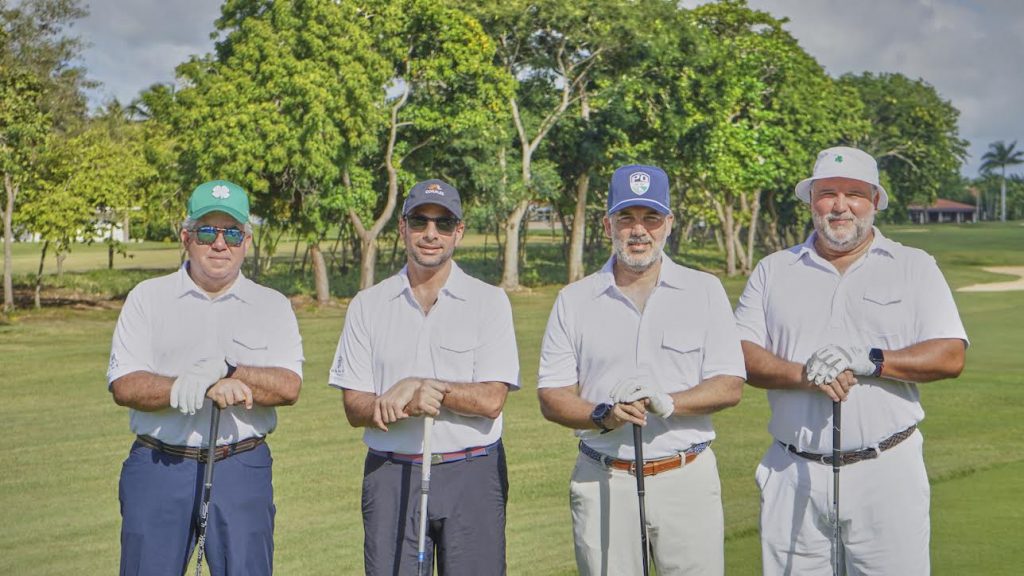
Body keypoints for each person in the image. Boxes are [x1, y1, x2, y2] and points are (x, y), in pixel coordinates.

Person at [734, 146, 968, 575]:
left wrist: (870, 360)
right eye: (827, 193)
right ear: (811, 201)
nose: (840, 206)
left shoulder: (914, 266)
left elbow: (951, 354)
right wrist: (805, 375)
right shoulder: (773, 270)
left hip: (886, 471)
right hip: (793, 469)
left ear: (875, 201)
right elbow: (741, 357)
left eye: (854, 193)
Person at [537, 164, 746, 576]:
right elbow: (552, 396)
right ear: (607, 224)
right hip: (603, 478)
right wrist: (603, 414)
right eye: (626, 218)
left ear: (668, 223)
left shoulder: (704, 290)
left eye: (650, 218)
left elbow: (729, 385)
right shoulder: (574, 299)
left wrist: (670, 402)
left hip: (686, 476)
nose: (639, 231)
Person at [107, 180, 304, 576]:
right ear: (186, 237)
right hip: (160, 465)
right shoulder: (148, 297)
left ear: (247, 240)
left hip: (241, 466)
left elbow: (288, 386)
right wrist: (183, 387)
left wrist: (232, 372)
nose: (220, 243)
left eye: (232, 232)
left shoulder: (272, 305)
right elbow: (124, 383)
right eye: (207, 231)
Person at [329, 179, 520, 575]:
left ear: (459, 232)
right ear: (402, 228)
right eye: (420, 221)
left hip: (472, 473)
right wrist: (405, 404)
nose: (431, 234)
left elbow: (490, 400)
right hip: (392, 474)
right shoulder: (368, 305)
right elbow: (355, 406)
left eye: (443, 224)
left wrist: (423, 389)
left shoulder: (489, 301)